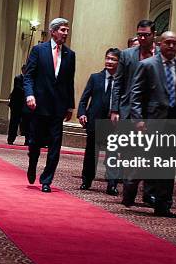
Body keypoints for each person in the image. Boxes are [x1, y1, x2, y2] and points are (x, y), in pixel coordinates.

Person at [129, 31, 176, 218]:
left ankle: (163, 204)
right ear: (160, 44)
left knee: (168, 165)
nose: (172, 47)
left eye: (175, 43)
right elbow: (136, 95)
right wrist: (139, 120)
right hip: (154, 122)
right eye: (168, 43)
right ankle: (131, 186)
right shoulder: (147, 65)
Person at [24, 17, 76, 193]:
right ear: (53, 31)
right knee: (35, 142)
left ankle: (47, 180)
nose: (66, 33)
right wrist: (29, 94)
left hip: (58, 107)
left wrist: (70, 106)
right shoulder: (39, 50)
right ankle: (32, 164)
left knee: (55, 145)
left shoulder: (70, 55)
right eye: (62, 30)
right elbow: (29, 76)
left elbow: (69, 82)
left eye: (67, 30)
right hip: (38, 105)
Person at [110, 20, 157, 205]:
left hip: (152, 113)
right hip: (129, 111)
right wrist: (114, 109)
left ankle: (149, 193)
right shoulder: (127, 55)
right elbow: (118, 83)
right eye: (139, 34)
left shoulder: (161, 55)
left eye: (146, 34)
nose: (142, 38)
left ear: (154, 35)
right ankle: (129, 191)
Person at [78, 48, 120, 195]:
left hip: (114, 123)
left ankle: (112, 184)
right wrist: (82, 113)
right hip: (95, 120)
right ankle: (86, 180)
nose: (109, 61)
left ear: (119, 62)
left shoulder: (122, 81)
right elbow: (84, 99)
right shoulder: (95, 77)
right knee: (91, 152)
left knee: (113, 153)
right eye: (107, 58)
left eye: (113, 59)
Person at [7, 65, 27, 145]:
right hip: (16, 105)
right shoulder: (18, 78)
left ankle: (27, 140)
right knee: (14, 123)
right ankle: (11, 139)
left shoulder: (30, 79)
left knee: (26, 123)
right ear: (22, 70)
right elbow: (18, 89)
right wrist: (29, 91)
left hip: (25, 105)